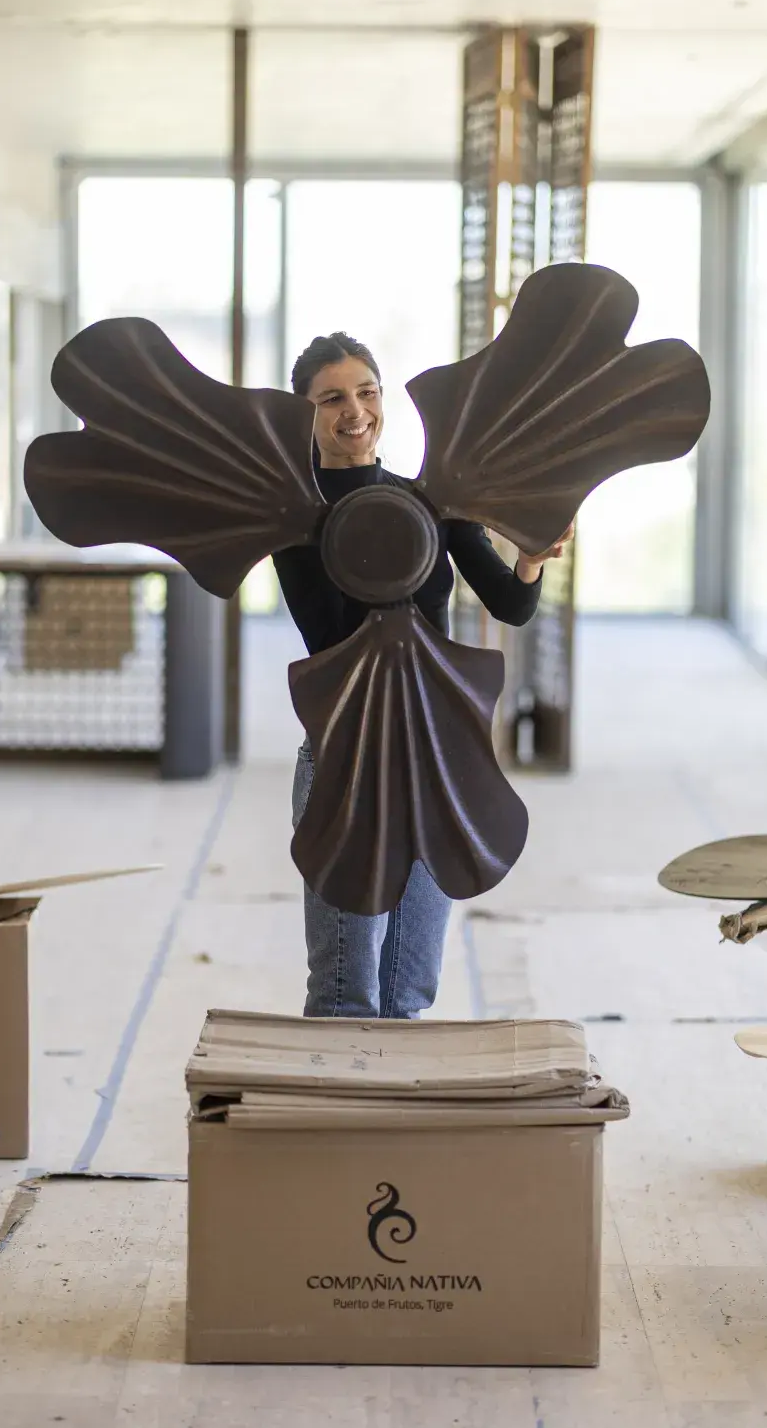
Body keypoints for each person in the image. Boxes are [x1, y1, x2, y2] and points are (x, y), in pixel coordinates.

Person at [273, 331, 573, 1022]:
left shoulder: (428, 498)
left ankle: (394, 1130)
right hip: (346, 758)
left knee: (408, 991)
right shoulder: (295, 517)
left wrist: (529, 557)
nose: (355, 410)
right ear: (307, 416)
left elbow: (511, 604)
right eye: (332, 399)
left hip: (437, 757)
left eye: (367, 391)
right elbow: (328, 633)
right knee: (345, 988)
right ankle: (341, 1122)